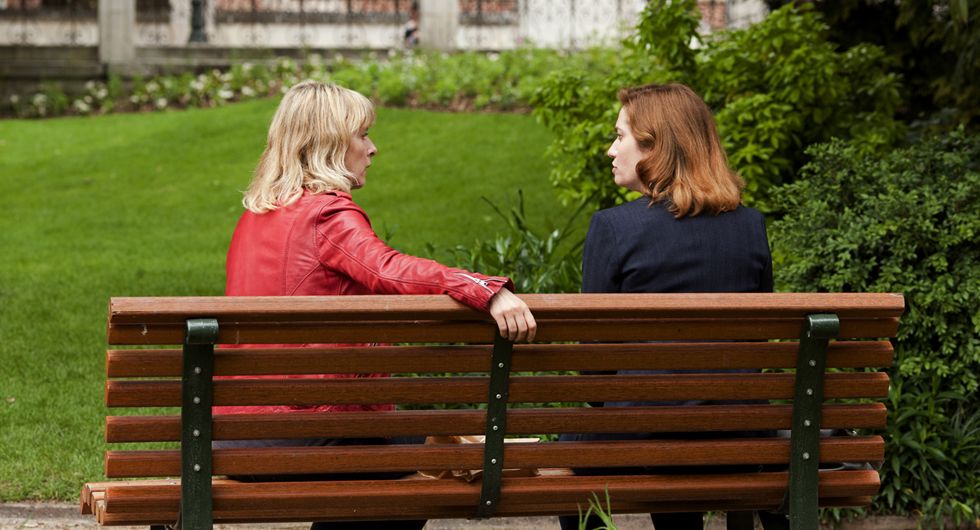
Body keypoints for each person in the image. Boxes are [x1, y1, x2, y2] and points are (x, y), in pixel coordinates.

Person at [215, 80, 536, 530]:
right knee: (437, 461)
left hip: (235, 438)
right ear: (329, 142)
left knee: (412, 454)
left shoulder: (255, 217)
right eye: (362, 134)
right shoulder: (326, 214)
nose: (373, 148)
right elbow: (389, 269)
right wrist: (485, 289)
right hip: (305, 437)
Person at [557, 83, 783, 530]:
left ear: (655, 147)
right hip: (742, 433)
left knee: (571, 451)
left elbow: (594, 370)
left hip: (644, 435)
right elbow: (759, 339)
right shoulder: (750, 226)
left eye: (620, 136)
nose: (610, 150)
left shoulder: (613, 228)